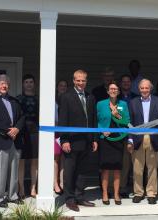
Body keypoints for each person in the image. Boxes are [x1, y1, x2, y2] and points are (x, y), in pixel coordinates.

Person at [58, 69, 98, 212]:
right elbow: (63, 120)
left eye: (83, 80)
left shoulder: (90, 97)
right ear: (74, 81)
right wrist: (64, 140)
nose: (81, 83)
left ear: (86, 81)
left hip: (87, 141)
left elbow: (93, 119)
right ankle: (69, 199)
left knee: (82, 171)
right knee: (70, 171)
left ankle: (79, 196)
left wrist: (94, 139)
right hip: (72, 141)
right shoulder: (66, 97)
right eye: (78, 80)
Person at [0, 74, 25, 208]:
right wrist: (8, 130)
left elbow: (22, 117)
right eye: (1, 83)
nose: (4, 85)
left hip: (15, 140)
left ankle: (12, 195)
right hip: (0, 140)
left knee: (14, 171)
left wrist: (17, 129)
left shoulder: (14, 101)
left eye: (6, 83)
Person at [127, 79, 158, 205]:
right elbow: (129, 122)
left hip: (153, 137)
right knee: (137, 169)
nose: (144, 90)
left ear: (151, 89)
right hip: (137, 138)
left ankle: (151, 193)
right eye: (142, 88)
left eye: (146, 88)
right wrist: (130, 139)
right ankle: (138, 193)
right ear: (139, 89)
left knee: (152, 168)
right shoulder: (133, 102)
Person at [97, 81, 130, 205]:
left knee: (117, 168)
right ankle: (105, 193)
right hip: (105, 139)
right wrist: (102, 130)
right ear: (107, 91)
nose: (113, 90)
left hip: (118, 139)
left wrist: (117, 115)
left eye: (115, 89)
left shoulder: (123, 104)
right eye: (111, 88)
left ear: (119, 91)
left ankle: (116, 193)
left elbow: (127, 121)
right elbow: (96, 120)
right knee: (105, 168)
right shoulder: (100, 104)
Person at [17, 74, 39, 199]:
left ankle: (33, 188)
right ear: (23, 84)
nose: (29, 84)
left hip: (35, 132)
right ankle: (21, 188)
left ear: (34, 84)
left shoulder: (38, 99)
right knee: (21, 162)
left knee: (34, 161)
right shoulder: (18, 99)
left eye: (31, 82)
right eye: (26, 82)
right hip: (22, 133)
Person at [118, 74, 137, 197]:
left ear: (131, 83)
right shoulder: (115, 97)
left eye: (128, 81)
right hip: (117, 134)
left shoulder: (136, 97)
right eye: (123, 81)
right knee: (117, 162)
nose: (126, 83)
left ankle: (124, 187)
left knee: (127, 163)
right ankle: (114, 187)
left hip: (132, 132)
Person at [54, 79, 68, 195]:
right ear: (57, 87)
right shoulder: (53, 101)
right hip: (55, 133)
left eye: (65, 86)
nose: (63, 87)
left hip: (66, 133)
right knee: (56, 159)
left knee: (64, 159)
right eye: (60, 85)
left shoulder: (67, 100)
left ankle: (63, 183)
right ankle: (55, 183)